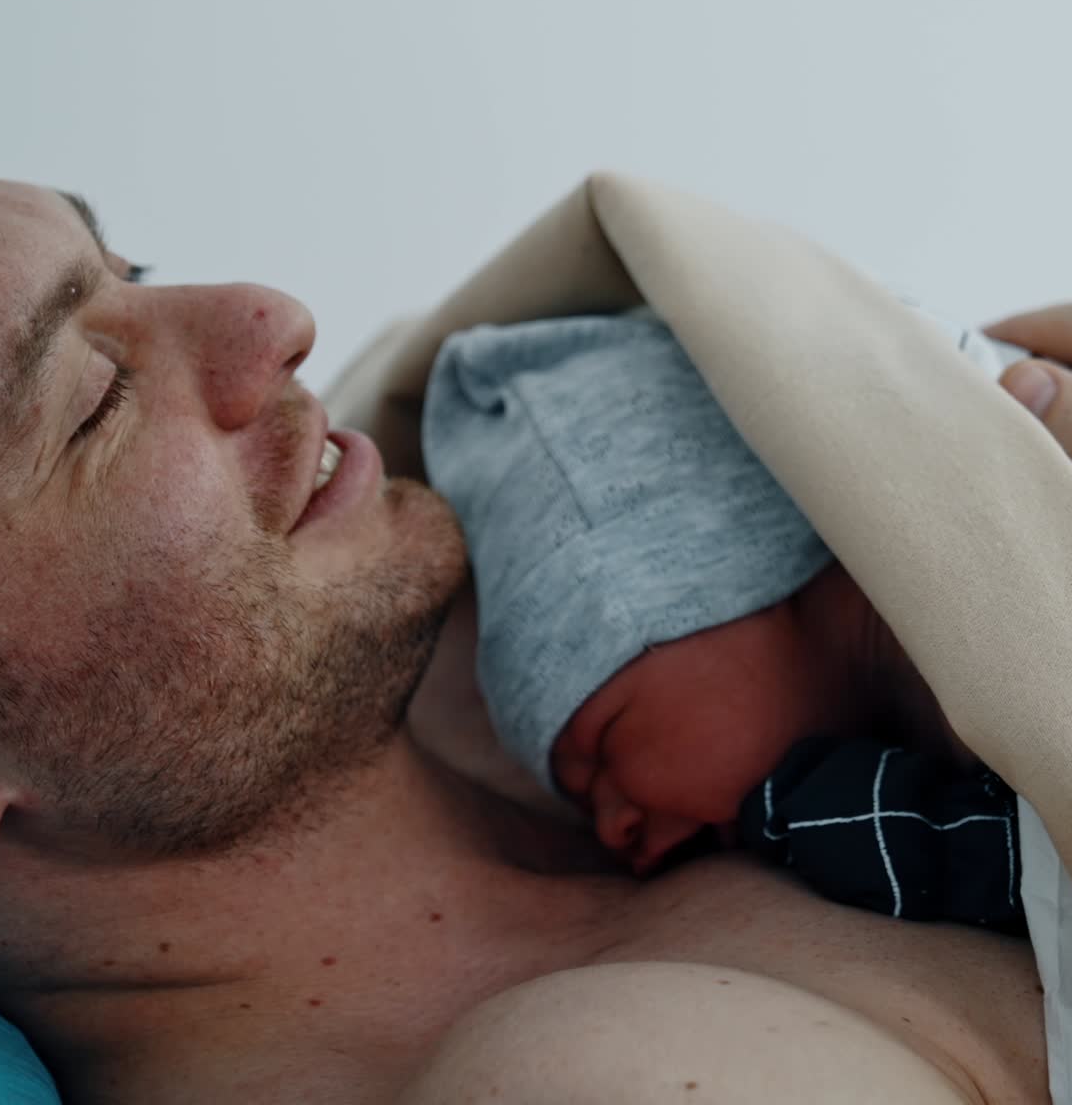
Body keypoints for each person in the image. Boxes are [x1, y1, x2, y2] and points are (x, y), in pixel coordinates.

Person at [0, 46, 1072, 1103]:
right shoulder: (596, 1072)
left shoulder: (548, 525)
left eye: (133, 272)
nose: (271, 317)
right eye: (92, 397)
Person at [421, 308, 1024, 934]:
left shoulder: (1005, 606)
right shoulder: (861, 802)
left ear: (726, 580)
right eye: (581, 803)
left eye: (602, 750)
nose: (611, 829)